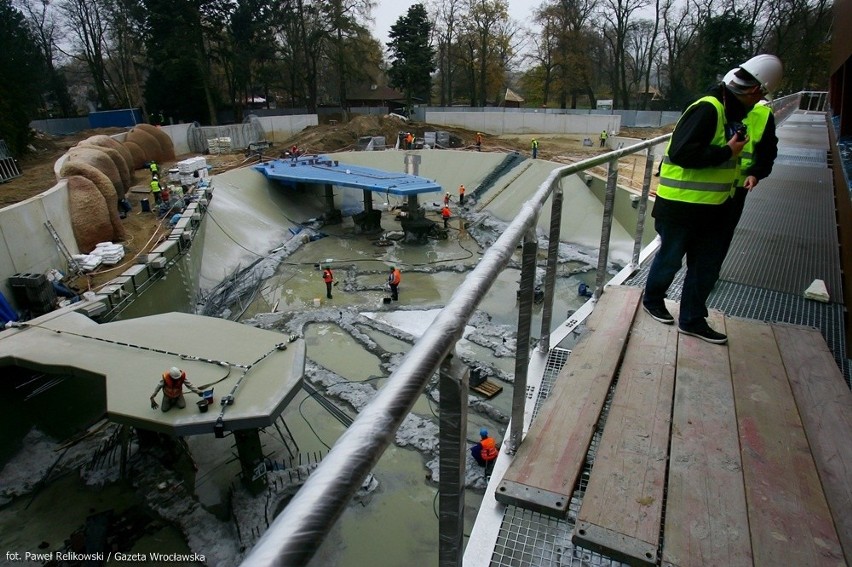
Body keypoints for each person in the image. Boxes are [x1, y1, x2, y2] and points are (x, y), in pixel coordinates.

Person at [642, 53, 783, 345]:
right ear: (755, 91)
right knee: (670, 258)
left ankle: (692, 319)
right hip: (681, 205)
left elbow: (764, 152)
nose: (758, 102)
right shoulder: (708, 109)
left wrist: (755, 172)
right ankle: (653, 300)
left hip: (720, 205)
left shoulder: (747, 114)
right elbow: (682, 152)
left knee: (706, 266)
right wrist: (726, 152)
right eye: (759, 96)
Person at [720, 58, 781, 259]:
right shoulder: (717, 109)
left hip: (738, 186)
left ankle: (710, 273)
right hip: (714, 183)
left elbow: (767, 150)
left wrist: (756, 173)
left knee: (723, 232)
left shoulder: (762, 115)